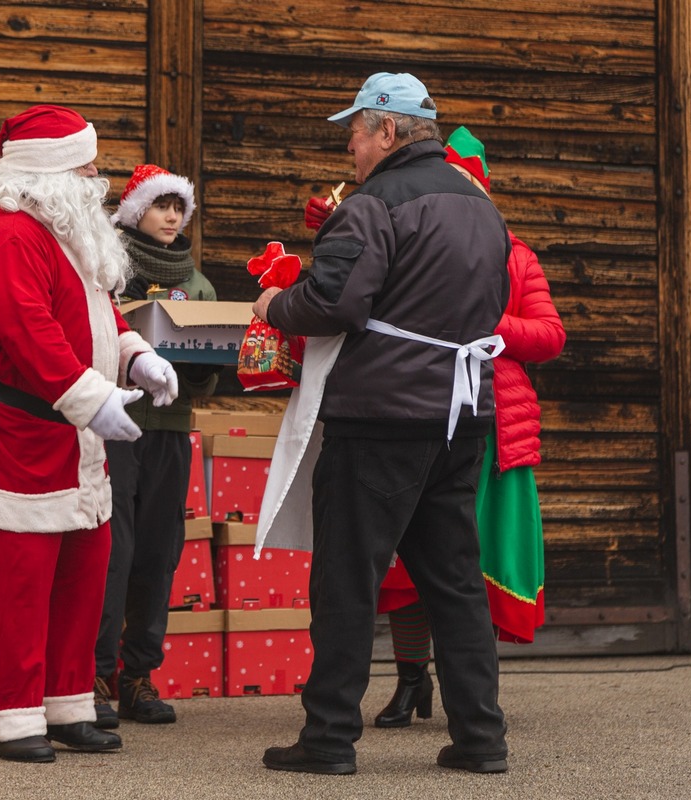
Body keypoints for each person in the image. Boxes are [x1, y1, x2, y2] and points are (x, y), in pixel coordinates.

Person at [252, 73, 511, 775]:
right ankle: (481, 740)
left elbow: (334, 300)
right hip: (460, 416)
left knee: (347, 580)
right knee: (454, 580)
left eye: (356, 134)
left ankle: (329, 739)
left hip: (381, 418)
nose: (351, 151)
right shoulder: (482, 206)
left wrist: (274, 303)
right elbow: (499, 297)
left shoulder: (374, 204)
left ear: (388, 131)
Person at [0, 105, 179, 764]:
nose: (97, 176)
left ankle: (68, 704)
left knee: (81, 579)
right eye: (85, 164)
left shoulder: (64, 230)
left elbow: (93, 311)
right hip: (11, 435)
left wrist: (133, 354)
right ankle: (13, 719)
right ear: (50, 170)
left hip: (69, 435)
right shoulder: (6, 236)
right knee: (17, 589)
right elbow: (28, 333)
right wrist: (94, 399)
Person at [372, 125, 566, 729]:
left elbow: (550, 336)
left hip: (494, 434)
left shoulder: (517, 254)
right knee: (406, 569)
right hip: (421, 417)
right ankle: (411, 682)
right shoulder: (406, 240)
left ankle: (476, 699)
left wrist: (486, 320)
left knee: (471, 569)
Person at [92, 164, 220, 728]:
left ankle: (139, 677)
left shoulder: (197, 284)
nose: (172, 216)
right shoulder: (107, 265)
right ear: (135, 210)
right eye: (161, 205)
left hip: (170, 432)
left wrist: (196, 367)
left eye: (179, 208)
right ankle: (94, 674)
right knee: (112, 554)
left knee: (157, 553)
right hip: (115, 429)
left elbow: (210, 373)